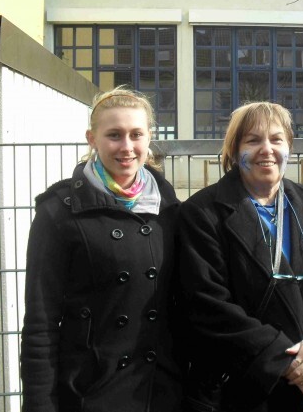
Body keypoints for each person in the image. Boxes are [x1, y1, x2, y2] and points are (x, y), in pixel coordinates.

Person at [178, 102, 303, 412]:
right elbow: (207, 304)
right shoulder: (202, 213)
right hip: (245, 386)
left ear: (289, 147)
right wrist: (282, 360)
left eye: (277, 139)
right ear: (234, 150)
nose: (267, 149)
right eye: (253, 140)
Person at [20, 87, 182, 412]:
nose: (127, 147)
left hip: (161, 390)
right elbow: (41, 323)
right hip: (91, 391)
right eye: (114, 135)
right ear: (92, 139)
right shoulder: (59, 212)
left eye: (136, 134)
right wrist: (39, 405)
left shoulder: (170, 208)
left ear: (149, 138)